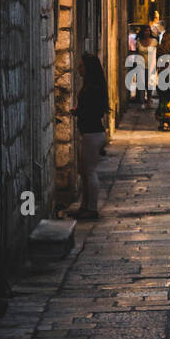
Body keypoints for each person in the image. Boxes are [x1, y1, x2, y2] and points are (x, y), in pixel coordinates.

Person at [70, 52, 108, 218]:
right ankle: (84, 206)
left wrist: (79, 111)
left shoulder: (92, 89)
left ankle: (92, 208)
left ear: (88, 68)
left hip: (93, 134)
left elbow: (93, 111)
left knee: (90, 171)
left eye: (81, 66)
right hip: (90, 133)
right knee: (84, 172)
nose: (78, 69)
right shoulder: (91, 86)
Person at [155, 29, 170, 131]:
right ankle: (167, 122)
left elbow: (153, 66)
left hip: (160, 77)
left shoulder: (158, 50)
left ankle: (162, 121)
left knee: (162, 100)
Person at [136, 25, 157, 106]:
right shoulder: (138, 41)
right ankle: (141, 101)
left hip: (151, 65)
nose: (147, 32)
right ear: (142, 32)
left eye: (148, 31)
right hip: (140, 65)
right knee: (141, 84)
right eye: (145, 31)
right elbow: (137, 52)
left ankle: (149, 99)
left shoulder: (154, 41)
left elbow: (156, 54)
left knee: (149, 84)